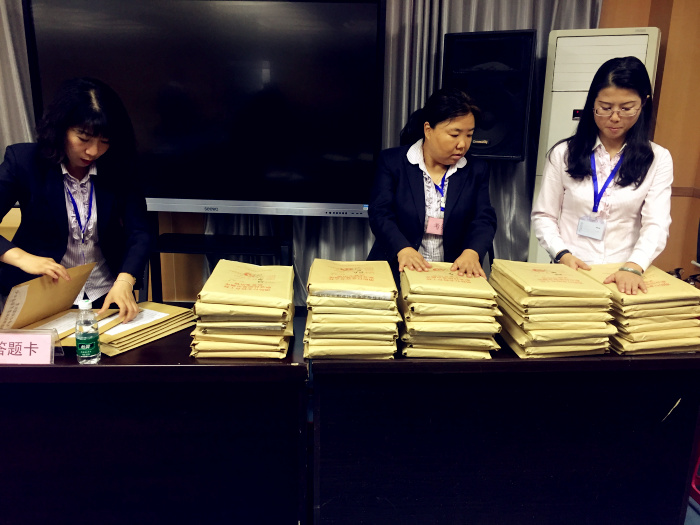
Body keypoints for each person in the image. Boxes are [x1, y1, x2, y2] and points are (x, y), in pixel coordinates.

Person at [0, 77, 150, 321]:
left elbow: (139, 232)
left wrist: (125, 280)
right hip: (41, 291)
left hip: (105, 292)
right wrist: (22, 258)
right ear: (61, 129)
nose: (93, 151)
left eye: (105, 141)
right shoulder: (24, 162)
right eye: (83, 138)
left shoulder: (119, 166)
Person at [531, 56, 672, 295]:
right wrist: (562, 254)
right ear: (592, 103)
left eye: (626, 108)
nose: (615, 117)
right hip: (569, 270)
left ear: (644, 103)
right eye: (605, 108)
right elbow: (544, 215)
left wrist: (634, 266)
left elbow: (656, 224)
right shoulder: (564, 153)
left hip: (622, 275)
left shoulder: (658, 158)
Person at [368, 87, 497, 281]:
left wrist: (472, 253)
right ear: (428, 130)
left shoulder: (476, 169)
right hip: (396, 268)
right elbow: (380, 213)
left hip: (452, 272)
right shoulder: (392, 162)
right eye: (454, 135)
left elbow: (483, 219)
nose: (462, 144)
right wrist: (403, 249)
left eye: (469, 135)